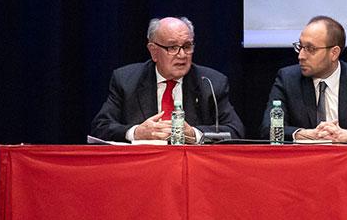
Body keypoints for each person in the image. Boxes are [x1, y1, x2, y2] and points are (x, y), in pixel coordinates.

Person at [90, 17, 245, 143]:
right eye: (172, 47)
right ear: (153, 51)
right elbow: (100, 127)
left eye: (187, 46)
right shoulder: (126, 80)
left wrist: (195, 134)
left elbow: (235, 131)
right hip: (144, 168)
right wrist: (136, 132)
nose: (182, 55)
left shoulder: (211, 82)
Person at [260, 16, 347, 142]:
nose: (301, 56)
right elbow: (268, 128)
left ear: (334, 53)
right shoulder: (288, 79)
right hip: (303, 161)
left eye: (310, 49)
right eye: (300, 47)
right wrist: (304, 134)